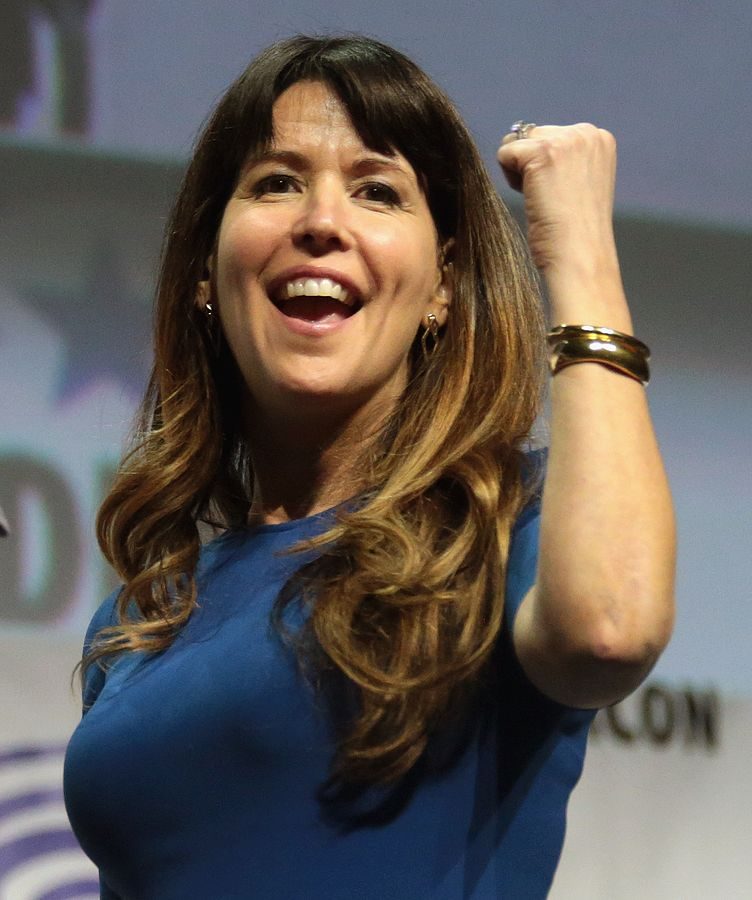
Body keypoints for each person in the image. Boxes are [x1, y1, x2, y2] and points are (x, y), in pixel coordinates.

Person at [63, 35, 675, 899]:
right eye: (276, 181)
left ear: (442, 287)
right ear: (206, 267)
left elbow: (609, 628)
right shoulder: (137, 623)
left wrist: (580, 255)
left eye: (377, 191)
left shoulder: (508, 523)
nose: (320, 221)